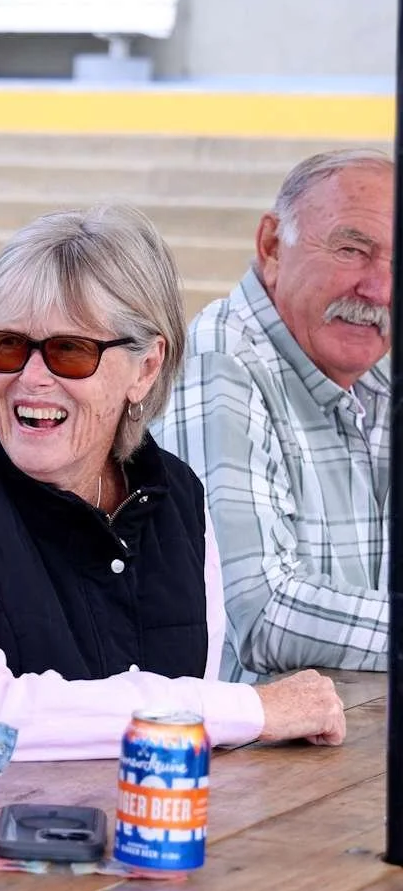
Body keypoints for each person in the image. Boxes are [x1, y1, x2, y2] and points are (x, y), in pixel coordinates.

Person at [0, 205, 344, 759]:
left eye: (69, 351)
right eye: (7, 345)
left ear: (146, 368)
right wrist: (249, 709)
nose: (30, 379)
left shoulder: (178, 495)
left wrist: (214, 712)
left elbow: (193, 704)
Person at [156, 148, 392, 680]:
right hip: (247, 757)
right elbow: (261, 616)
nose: (380, 289)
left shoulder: (374, 378)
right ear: (271, 246)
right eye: (353, 249)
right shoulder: (218, 365)